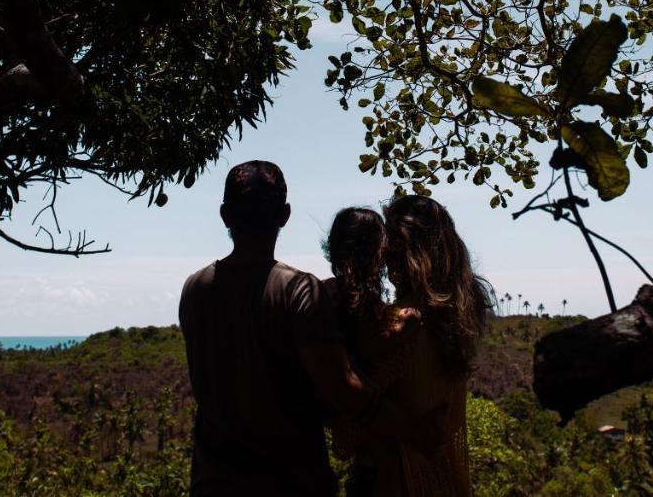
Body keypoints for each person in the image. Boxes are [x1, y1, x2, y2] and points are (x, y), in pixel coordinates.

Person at [179, 162, 432, 496]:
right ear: (284, 215)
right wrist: (415, 429)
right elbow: (342, 388)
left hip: (213, 482)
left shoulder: (195, 288)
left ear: (225, 215)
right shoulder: (297, 291)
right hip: (291, 480)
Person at [332, 196, 493, 497]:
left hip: (393, 480)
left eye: (388, 246)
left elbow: (347, 431)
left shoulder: (402, 323)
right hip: (443, 479)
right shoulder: (459, 316)